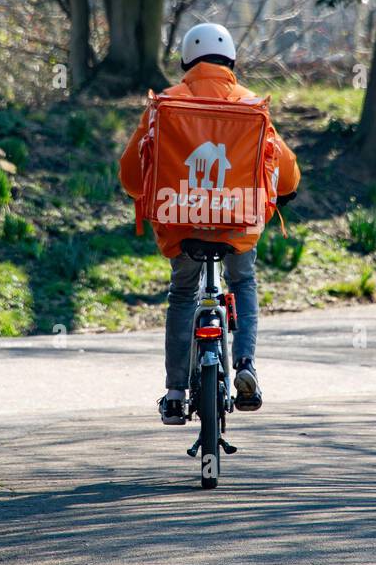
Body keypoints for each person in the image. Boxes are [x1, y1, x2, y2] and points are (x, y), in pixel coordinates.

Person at [120, 23, 300, 425]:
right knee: (243, 282)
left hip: (181, 220)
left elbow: (131, 175)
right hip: (237, 223)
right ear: (230, 60)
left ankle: (174, 393)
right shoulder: (250, 105)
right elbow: (285, 171)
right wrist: (286, 192)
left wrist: (141, 192)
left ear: (187, 60)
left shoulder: (164, 104)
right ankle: (246, 365)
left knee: (183, 293)